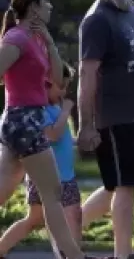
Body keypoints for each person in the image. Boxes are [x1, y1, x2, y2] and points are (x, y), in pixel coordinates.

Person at [0, 0, 97, 259]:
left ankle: (70, 253)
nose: (51, 6)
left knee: (5, 189)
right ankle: (73, 255)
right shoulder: (17, 38)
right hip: (23, 121)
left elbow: (56, 78)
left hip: (24, 121)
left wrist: (50, 40)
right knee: (52, 192)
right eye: (47, 2)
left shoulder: (36, 39)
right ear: (33, 7)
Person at [76, 0, 134, 259]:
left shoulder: (131, 9)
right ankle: (123, 255)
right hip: (113, 116)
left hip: (132, 115)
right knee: (126, 185)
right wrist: (86, 124)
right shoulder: (97, 19)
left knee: (113, 187)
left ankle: (64, 230)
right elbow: (87, 73)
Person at [0, 64, 81, 257]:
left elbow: (60, 138)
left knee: (36, 220)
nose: (64, 92)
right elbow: (52, 134)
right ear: (45, 83)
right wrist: (66, 112)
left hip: (65, 175)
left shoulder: (54, 107)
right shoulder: (38, 110)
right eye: (60, 86)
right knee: (71, 219)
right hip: (48, 178)